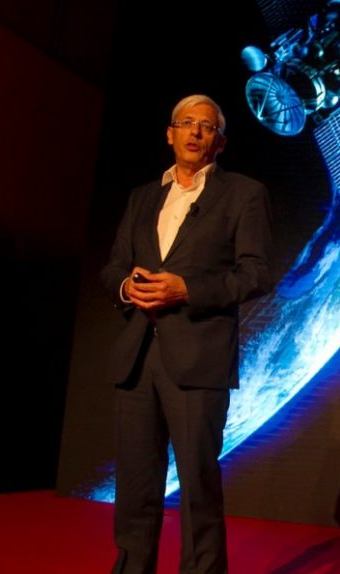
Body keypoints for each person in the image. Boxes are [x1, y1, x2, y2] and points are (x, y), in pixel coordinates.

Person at [100, 94, 272, 574]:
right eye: (186, 123)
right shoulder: (142, 197)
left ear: (220, 143)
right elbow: (112, 267)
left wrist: (187, 290)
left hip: (199, 360)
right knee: (135, 487)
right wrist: (127, 287)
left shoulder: (244, 194)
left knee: (198, 488)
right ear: (169, 134)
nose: (195, 132)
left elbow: (256, 274)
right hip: (137, 359)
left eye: (207, 126)